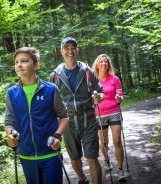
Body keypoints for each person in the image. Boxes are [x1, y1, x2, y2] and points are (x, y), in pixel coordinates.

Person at [4, 47, 69, 184]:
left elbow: (64, 116)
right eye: (16, 62)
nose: (19, 65)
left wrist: (57, 135)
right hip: (26, 156)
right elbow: (9, 122)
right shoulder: (11, 93)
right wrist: (10, 135)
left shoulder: (50, 89)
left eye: (24, 61)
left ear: (36, 65)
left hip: (50, 153)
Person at [50, 37, 104, 184]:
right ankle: (82, 179)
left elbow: (100, 91)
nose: (70, 51)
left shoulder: (87, 71)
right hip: (68, 122)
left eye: (73, 47)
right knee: (74, 157)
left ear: (77, 50)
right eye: (66, 48)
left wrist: (99, 96)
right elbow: (51, 103)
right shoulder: (55, 75)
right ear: (61, 51)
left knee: (92, 157)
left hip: (88, 118)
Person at [92, 54, 127, 181]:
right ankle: (106, 161)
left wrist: (119, 98)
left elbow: (120, 96)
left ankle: (120, 169)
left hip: (114, 112)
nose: (104, 64)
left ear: (108, 65)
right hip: (99, 114)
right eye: (101, 62)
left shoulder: (115, 79)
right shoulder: (93, 81)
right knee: (104, 143)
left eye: (106, 62)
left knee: (117, 141)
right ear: (97, 64)